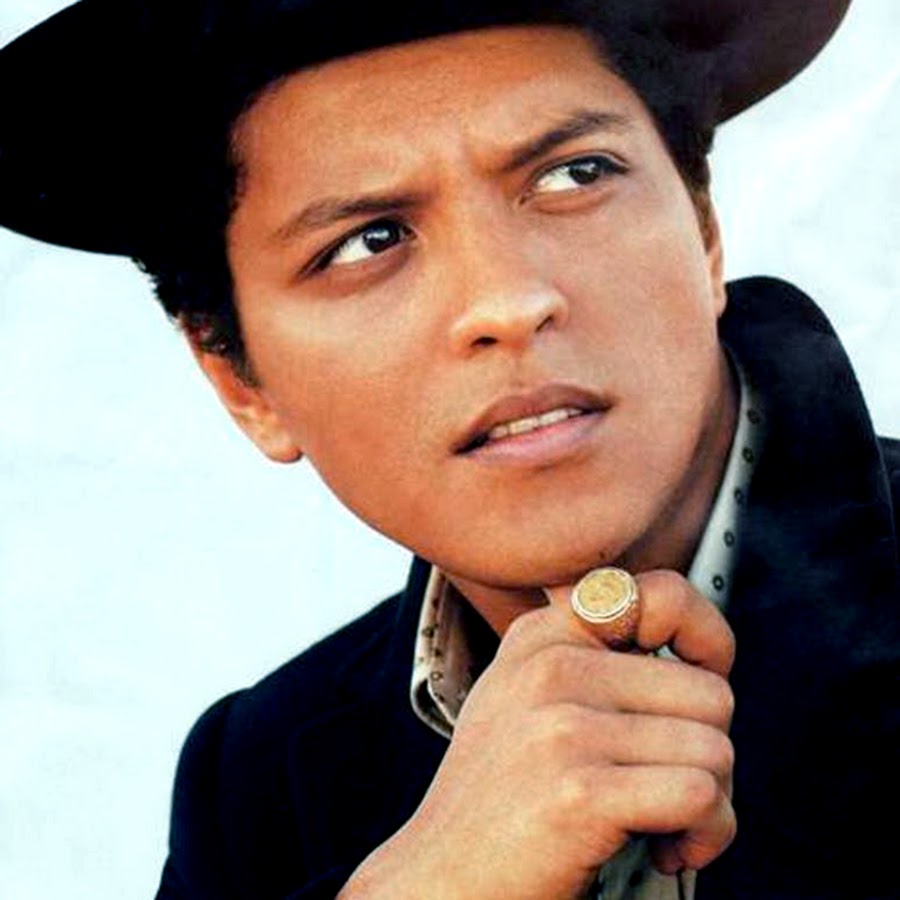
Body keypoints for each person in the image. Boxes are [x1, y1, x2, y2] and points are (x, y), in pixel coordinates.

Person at [0, 1, 897, 899]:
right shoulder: (255, 778)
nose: (508, 302)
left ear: (704, 232)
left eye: (575, 174)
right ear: (241, 382)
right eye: (368, 241)